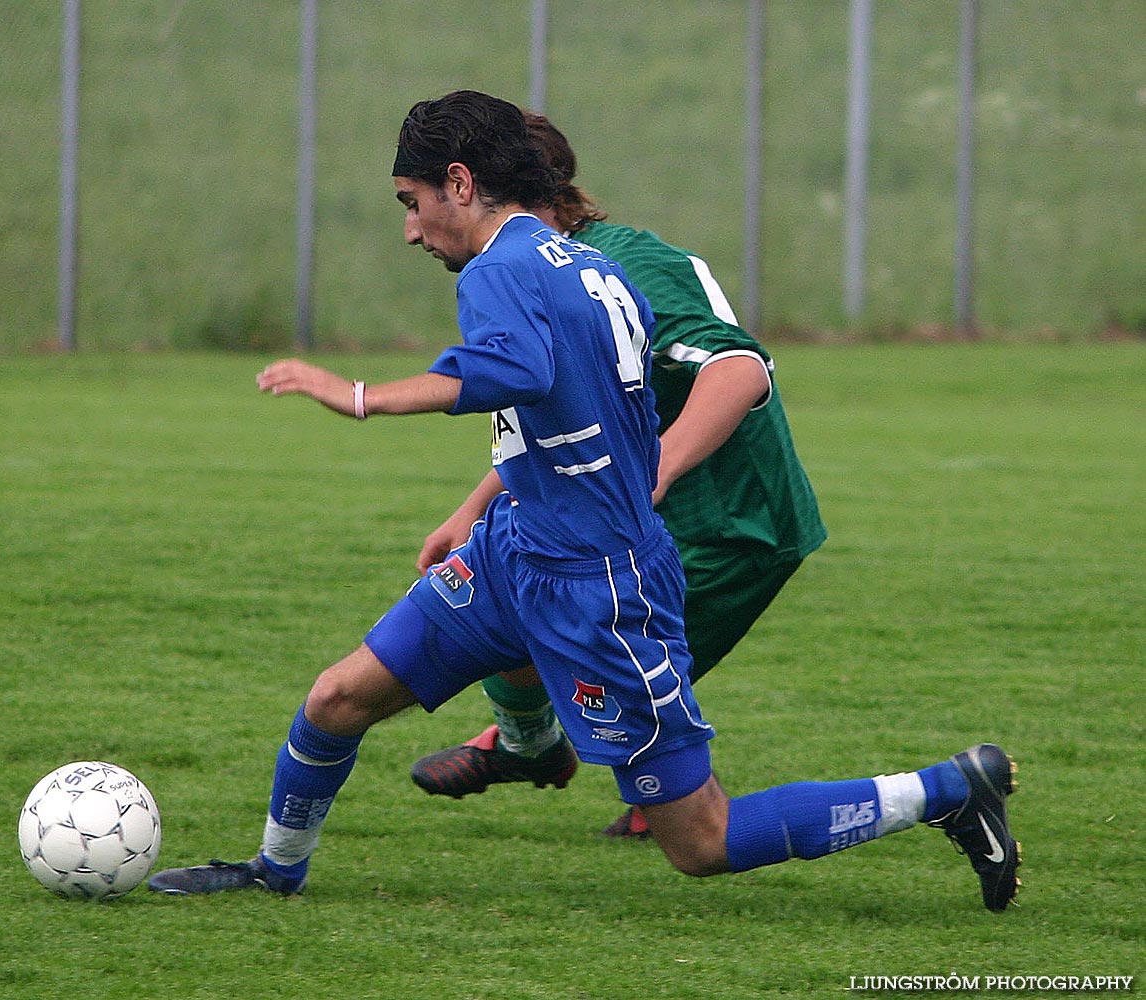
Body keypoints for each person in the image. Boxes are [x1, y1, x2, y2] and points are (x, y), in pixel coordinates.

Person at [146, 90, 1021, 912]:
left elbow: (519, 374)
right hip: (516, 550)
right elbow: (576, 406)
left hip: (599, 590)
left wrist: (360, 394)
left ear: (462, 183)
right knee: (339, 697)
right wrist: (482, 502)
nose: (410, 230)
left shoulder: (496, 272)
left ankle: (949, 790)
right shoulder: (595, 268)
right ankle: (276, 872)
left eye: (412, 202)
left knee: (700, 841)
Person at [409, 112, 826, 841]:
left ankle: (557, 759)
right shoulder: (543, 270)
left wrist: (655, 470)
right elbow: (562, 422)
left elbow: (737, 369)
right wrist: (471, 508)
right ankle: (561, 757)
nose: (422, 229)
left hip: (732, 520)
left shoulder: (622, 266)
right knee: (514, 583)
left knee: (556, 631)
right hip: (644, 514)